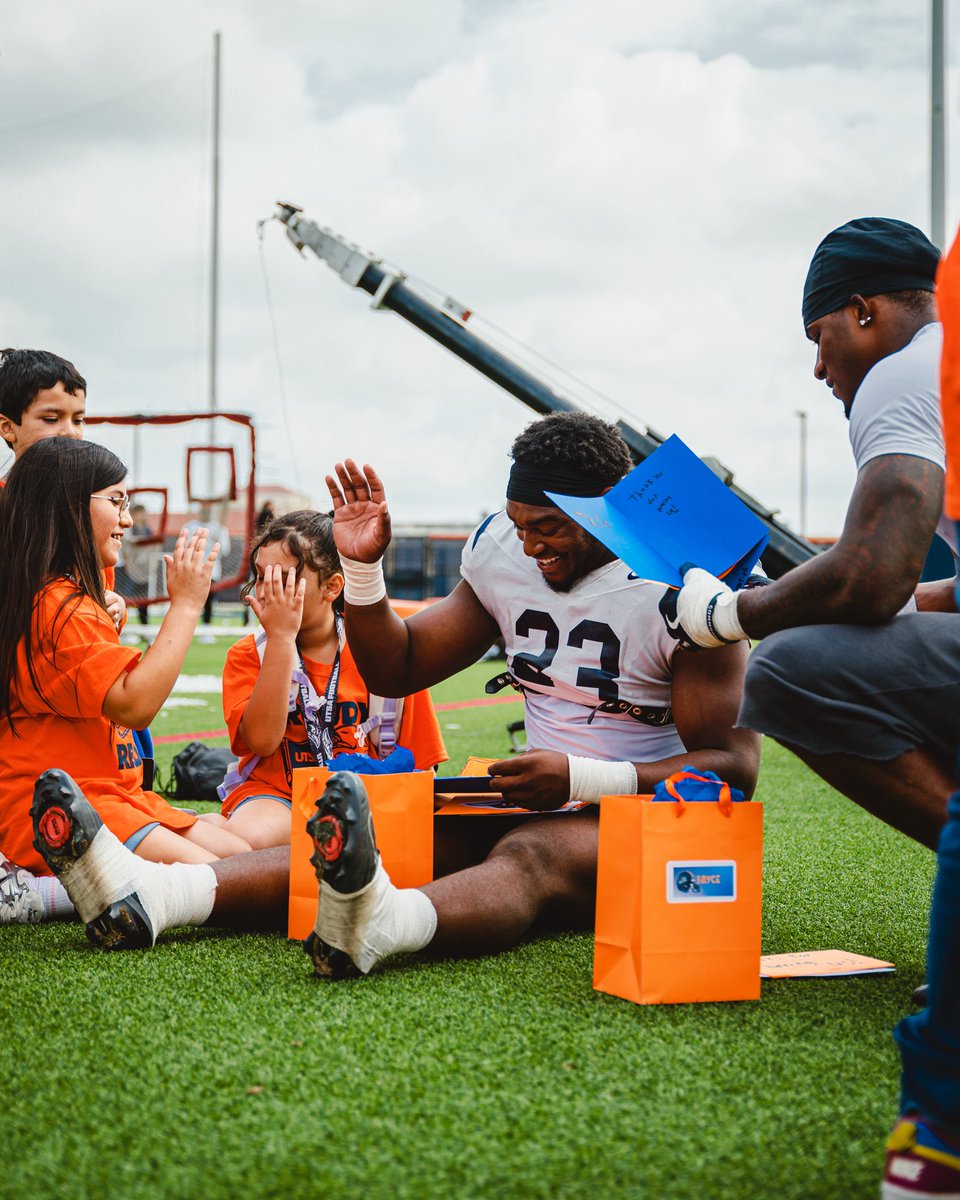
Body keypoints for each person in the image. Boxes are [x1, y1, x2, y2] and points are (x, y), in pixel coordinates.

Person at [25, 413, 759, 973]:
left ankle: (386, 926)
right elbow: (399, 667)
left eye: (551, 528)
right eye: (521, 526)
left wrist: (584, 776)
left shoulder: (681, 584)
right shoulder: (504, 551)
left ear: (607, 513)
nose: (532, 546)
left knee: (531, 851)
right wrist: (363, 570)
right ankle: (156, 897)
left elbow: (730, 768)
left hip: (653, 812)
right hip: (547, 787)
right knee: (391, 829)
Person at [662, 217, 953, 850]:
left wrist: (728, 614)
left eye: (820, 337)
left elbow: (871, 581)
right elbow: (897, 589)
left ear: (864, 311)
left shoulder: (903, 374)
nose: (818, 368)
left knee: (792, 671)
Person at [0, 438, 253, 872]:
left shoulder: (65, 597)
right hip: (66, 806)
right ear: (66, 507)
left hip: (111, 796)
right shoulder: (57, 605)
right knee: (227, 877)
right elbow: (135, 705)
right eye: (116, 501)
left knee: (247, 858)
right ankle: (42, 894)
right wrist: (187, 605)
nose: (128, 518)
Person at [219, 509, 447, 849]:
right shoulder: (249, 653)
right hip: (277, 796)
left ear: (332, 587)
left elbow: (421, 767)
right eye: (260, 576)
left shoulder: (383, 652)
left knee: (427, 837)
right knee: (249, 840)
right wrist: (281, 638)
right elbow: (262, 742)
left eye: (282, 579)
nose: (266, 591)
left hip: (366, 798)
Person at [184, 504, 231, 629]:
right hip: (193, 569)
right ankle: (188, 626)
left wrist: (218, 539)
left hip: (212, 571)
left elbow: (226, 550)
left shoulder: (219, 528)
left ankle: (206, 627)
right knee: (191, 600)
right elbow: (185, 547)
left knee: (209, 600)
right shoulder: (191, 526)